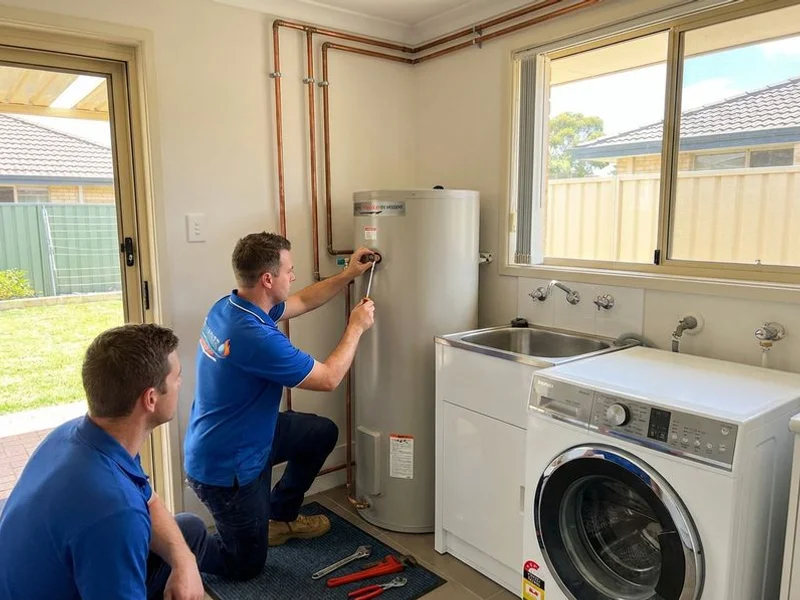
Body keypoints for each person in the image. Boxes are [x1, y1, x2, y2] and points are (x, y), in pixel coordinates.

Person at [183, 231, 376, 580]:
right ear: (268, 279)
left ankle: (281, 517)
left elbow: (302, 301)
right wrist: (356, 327)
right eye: (289, 270)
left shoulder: (230, 307)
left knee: (320, 432)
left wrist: (348, 275)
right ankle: (176, 545)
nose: (294, 276)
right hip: (229, 468)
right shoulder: (255, 337)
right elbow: (330, 377)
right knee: (245, 567)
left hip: (244, 436)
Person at [0, 324, 218, 600]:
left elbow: (148, 499)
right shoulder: (115, 511)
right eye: (177, 377)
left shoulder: (74, 434)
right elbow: (122, 512)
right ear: (150, 399)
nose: (180, 383)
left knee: (189, 530)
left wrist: (183, 562)